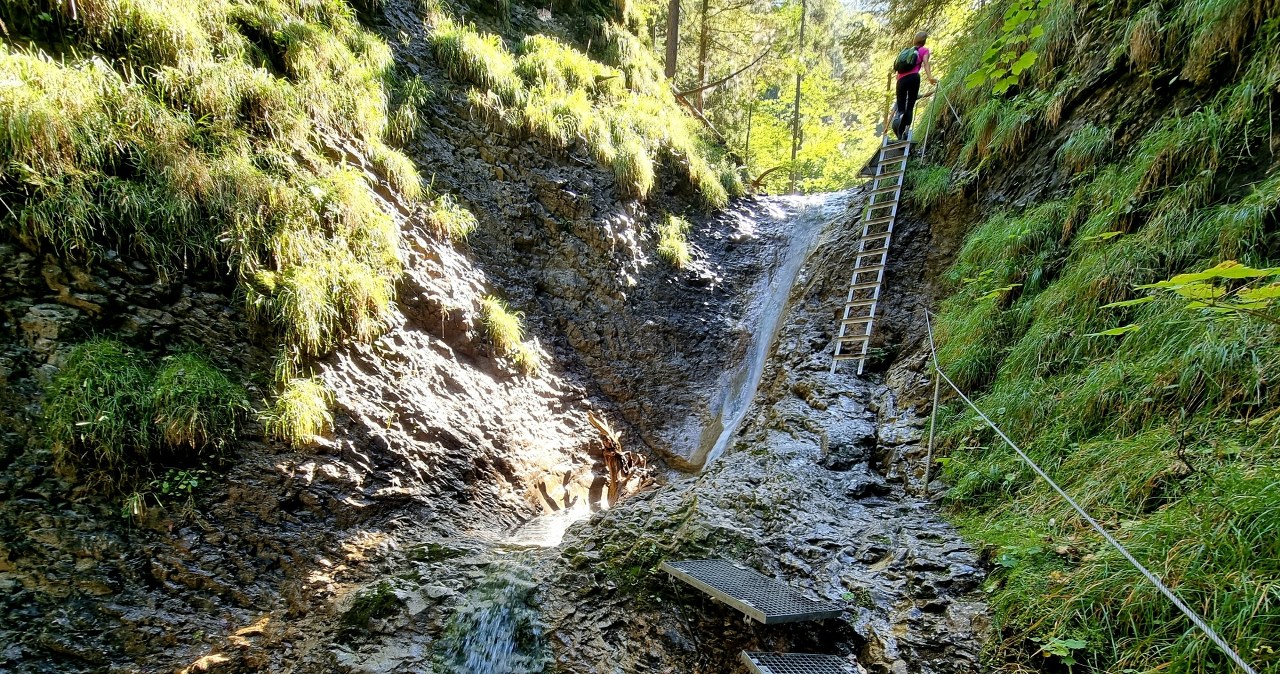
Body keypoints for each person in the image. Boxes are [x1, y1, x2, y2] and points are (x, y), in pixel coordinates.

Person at [891, 31, 937, 143]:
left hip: (900, 80)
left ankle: (900, 118)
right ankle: (906, 129)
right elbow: (926, 63)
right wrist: (930, 77)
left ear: (914, 40)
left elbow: (897, 72)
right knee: (910, 106)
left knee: (901, 107)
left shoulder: (906, 52)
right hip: (913, 78)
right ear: (924, 41)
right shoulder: (923, 50)